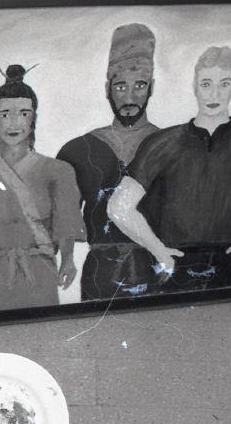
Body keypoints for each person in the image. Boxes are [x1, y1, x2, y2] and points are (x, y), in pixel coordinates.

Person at [109, 45, 231, 292]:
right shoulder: (163, 142)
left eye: (224, 84)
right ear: (194, 85)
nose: (214, 94)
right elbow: (118, 207)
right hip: (174, 261)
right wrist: (158, 250)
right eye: (206, 84)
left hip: (228, 259)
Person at [0, 65, 85, 311]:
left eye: (23, 113)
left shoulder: (59, 171)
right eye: (4, 114)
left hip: (42, 269)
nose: (13, 122)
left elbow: (66, 222)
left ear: (34, 118)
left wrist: (68, 260)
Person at [56, 23, 161, 300]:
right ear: (107, 89)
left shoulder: (169, 145)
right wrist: (66, 258)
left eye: (139, 86)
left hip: (155, 268)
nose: (129, 97)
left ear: (151, 87)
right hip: (100, 272)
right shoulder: (78, 149)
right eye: (120, 86)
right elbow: (65, 215)